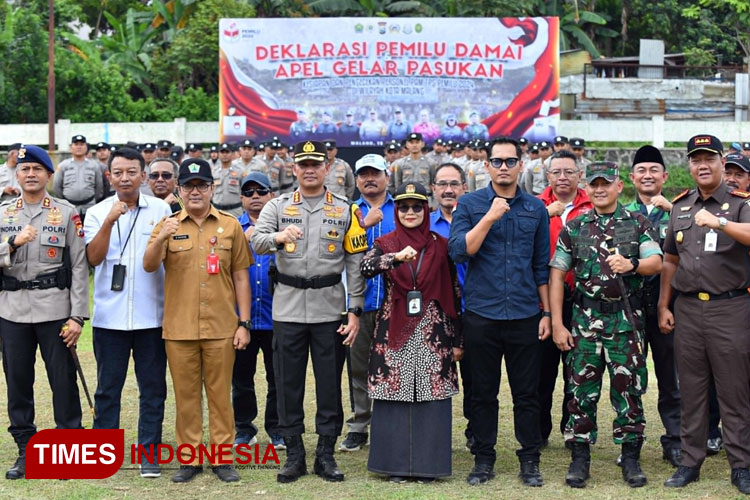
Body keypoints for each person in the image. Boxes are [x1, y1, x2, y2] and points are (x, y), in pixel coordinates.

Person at [251, 140, 367, 483]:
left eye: (316, 164)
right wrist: (279, 236)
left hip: (329, 309)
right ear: (294, 169)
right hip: (287, 309)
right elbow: (256, 240)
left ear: (327, 168)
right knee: (287, 385)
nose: (310, 169)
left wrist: (354, 310)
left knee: (329, 385)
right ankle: (295, 454)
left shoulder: (345, 210)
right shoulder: (277, 206)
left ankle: (326, 455)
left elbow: (355, 262)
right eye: (303, 165)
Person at [549, 161, 662, 489]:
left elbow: (657, 262)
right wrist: (558, 323)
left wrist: (633, 264)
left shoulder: (637, 222)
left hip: (625, 322)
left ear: (618, 186)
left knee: (628, 391)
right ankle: (579, 456)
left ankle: (630, 456)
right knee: (580, 392)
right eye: (594, 183)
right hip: (584, 322)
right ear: (589, 186)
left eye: (606, 183)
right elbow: (557, 274)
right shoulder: (576, 226)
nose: (600, 189)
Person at [449, 137, 551, 487]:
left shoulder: (535, 209)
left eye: (510, 161)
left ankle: (530, 459)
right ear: (487, 166)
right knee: (482, 392)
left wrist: (548, 314)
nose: (504, 167)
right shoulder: (470, 204)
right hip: (482, 314)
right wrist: (490, 216)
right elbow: (460, 252)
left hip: (524, 313)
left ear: (521, 165)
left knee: (528, 393)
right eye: (497, 161)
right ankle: (483, 458)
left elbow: (541, 266)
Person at [143, 158, 252, 483]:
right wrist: (162, 237)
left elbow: (241, 276)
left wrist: (243, 323)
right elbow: (149, 265)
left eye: (201, 185)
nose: (195, 191)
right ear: (178, 190)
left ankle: (222, 458)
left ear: (211, 188)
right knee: (186, 396)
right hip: (180, 328)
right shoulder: (168, 223)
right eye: (188, 186)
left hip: (221, 327)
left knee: (220, 395)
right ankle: (189, 459)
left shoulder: (231, 225)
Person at [659, 135, 750, 494]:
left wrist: (720, 223)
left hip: (730, 307)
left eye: (709, 159)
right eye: (696, 159)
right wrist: (664, 305)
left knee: (734, 390)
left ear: (721, 163)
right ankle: (690, 461)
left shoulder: (740, 203)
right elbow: (670, 259)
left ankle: (741, 464)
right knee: (692, 390)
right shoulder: (681, 206)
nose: (702, 165)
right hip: (689, 309)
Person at [361, 181, 462, 482]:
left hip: (434, 329)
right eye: (403, 207)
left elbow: (454, 291)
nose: (409, 212)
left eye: (417, 206)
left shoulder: (440, 245)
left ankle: (428, 466)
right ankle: (394, 466)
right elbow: (365, 268)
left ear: (425, 210)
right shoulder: (386, 243)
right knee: (394, 394)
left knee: (431, 395)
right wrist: (395, 258)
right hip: (395, 329)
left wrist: (458, 338)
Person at [0, 145, 88, 479]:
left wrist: (77, 316)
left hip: (55, 308)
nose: (31, 174)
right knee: (18, 383)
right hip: (12, 311)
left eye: (38, 169)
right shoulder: (4, 213)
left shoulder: (66, 212)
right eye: (25, 169)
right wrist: (13, 244)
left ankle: (66, 454)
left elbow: (80, 266)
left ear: (49, 175)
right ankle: (26, 451)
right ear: (17, 175)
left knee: (63, 383)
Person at [83, 147, 172, 478]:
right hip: (111, 317)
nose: (125, 178)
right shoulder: (97, 212)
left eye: (131, 172)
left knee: (153, 388)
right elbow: (93, 258)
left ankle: (149, 453)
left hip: (152, 315)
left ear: (143, 176)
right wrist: (108, 222)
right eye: (118, 172)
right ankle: (102, 454)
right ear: (109, 177)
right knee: (108, 388)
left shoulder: (161, 209)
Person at [623, 145, 683, 467]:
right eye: (641, 171)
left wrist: (673, 209)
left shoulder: (679, 211)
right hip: (630, 308)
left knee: (671, 379)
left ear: (665, 176)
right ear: (631, 178)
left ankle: (675, 440)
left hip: (667, 306)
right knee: (630, 378)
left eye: (654, 171)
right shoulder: (621, 215)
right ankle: (631, 443)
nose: (648, 176)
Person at [536, 150, 592, 448]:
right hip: (542, 300)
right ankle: (538, 430)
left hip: (583, 301)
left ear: (578, 175)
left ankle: (572, 427)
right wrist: (544, 214)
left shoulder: (592, 204)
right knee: (542, 371)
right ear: (548, 176)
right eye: (556, 172)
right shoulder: (534, 206)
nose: (562, 177)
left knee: (578, 369)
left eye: (568, 172)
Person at [340, 154, 396, 453]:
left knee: (392, 366)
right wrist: (363, 226)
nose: (369, 179)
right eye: (363, 174)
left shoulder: (402, 209)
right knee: (359, 366)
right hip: (356, 303)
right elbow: (335, 250)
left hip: (394, 302)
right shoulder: (345, 211)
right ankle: (359, 425)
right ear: (356, 179)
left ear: (387, 176)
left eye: (375, 173)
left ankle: (389, 425)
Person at [233, 172, 284, 450]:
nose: (255, 197)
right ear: (241, 198)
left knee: (277, 378)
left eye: (261, 192)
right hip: (242, 318)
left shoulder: (284, 228)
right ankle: (244, 427)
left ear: (271, 196)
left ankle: (276, 428)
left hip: (277, 316)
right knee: (241, 378)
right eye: (249, 192)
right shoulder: (230, 228)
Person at [430, 163, 472, 449]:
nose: (448, 189)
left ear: (464, 188)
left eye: (454, 184)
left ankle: (475, 433)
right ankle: (433, 437)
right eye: (442, 183)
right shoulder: (422, 223)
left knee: (476, 378)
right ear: (433, 188)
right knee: (434, 377)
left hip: (473, 310)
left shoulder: (475, 220)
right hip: (435, 315)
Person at [53, 134, 104, 219]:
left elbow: (99, 186)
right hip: (69, 207)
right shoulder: (63, 165)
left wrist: (92, 199)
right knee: (70, 231)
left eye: (82, 144)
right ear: (71, 147)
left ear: (86, 147)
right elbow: (56, 186)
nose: (79, 147)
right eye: (76, 144)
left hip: (89, 207)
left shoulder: (94, 165)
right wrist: (65, 201)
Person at [212, 143, 244, 216]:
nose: (224, 154)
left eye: (227, 152)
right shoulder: (213, 172)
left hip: (235, 211)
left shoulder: (240, 171)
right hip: (217, 210)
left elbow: (244, 191)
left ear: (232, 154)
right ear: (218, 154)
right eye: (222, 152)